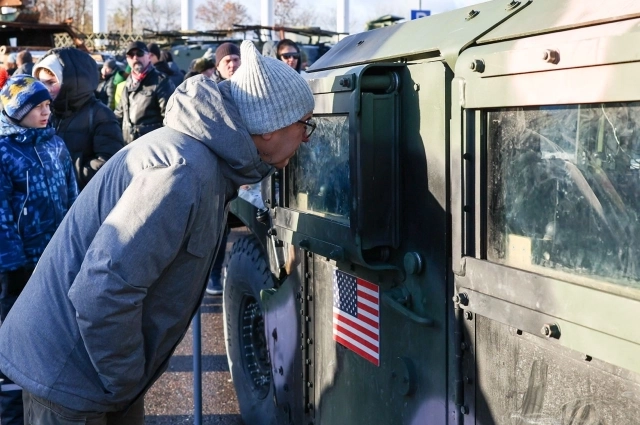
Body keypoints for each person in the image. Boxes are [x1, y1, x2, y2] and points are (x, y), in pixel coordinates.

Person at [0, 40, 314, 424]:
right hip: (73, 382)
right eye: (305, 124)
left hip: (87, 373)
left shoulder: (203, 160)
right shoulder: (182, 172)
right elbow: (102, 291)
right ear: (269, 128)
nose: (308, 137)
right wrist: (124, 383)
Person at [0, 75, 78, 425]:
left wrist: (77, 241)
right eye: (39, 107)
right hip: (18, 264)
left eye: (48, 105)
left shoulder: (55, 145)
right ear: (19, 111)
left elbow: (72, 197)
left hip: (53, 257)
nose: (47, 112)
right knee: (13, 336)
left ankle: (45, 398)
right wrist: (10, 260)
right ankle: (11, 408)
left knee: (48, 332)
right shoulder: (4, 151)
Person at [33, 47, 125, 189]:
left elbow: (110, 163)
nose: (45, 88)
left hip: (84, 201)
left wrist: (64, 174)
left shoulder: (100, 114)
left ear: (70, 82)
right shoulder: (48, 111)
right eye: (41, 82)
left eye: (51, 82)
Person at [115, 41, 175, 144]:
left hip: (152, 148)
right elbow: (119, 115)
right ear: (127, 59)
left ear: (148, 56)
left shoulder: (161, 81)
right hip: (128, 148)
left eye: (139, 53)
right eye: (131, 55)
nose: (135, 58)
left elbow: (171, 119)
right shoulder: (128, 84)